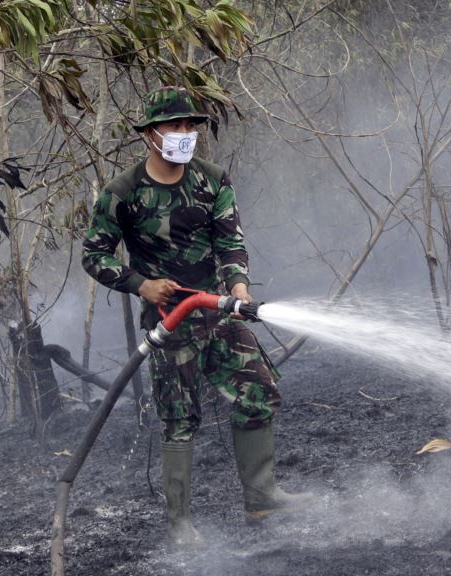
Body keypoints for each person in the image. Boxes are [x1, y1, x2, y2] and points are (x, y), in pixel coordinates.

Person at [81, 86, 312, 547]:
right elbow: (95, 255)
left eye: (191, 126)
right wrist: (141, 285)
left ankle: (262, 495)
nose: (184, 134)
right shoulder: (122, 193)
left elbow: (230, 242)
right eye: (174, 126)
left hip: (217, 311)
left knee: (259, 390)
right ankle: (181, 524)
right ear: (150, 134)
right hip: (168, 322)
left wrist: (239, 289)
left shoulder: (211, 179)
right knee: (178, 416)